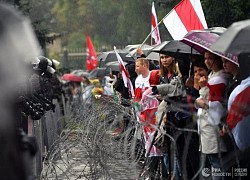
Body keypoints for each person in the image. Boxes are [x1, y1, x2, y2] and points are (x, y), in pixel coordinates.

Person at [195, 51, 231, 176]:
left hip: (213, 128)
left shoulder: (220, 78)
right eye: (205, 58)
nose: (207, 61)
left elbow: (214, 106)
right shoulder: (211, 75)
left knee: (217, 167)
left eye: (210, 58)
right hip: (206, 127)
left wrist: (204, 89)